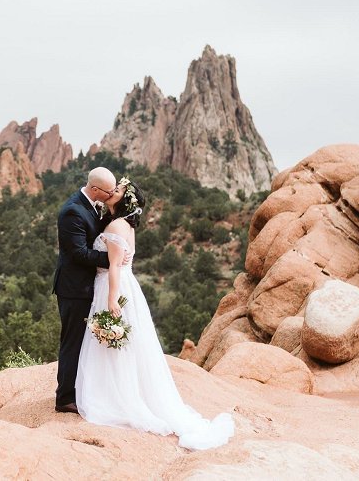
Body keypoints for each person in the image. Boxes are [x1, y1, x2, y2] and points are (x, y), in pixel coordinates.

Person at [75, 177, 235, 450]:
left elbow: (114, 266)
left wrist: (112, 300)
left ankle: (114, 396)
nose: (114, 190)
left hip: (113, 287)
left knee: (114, 342)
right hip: (127, 285)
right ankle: (123, 391)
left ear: (126, 200)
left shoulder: (115, 225)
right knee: (125, 343)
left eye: (120, 190)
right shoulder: (125, 225)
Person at [53, 167, 120, 413]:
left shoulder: (91, 205)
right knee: (73, 342)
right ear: (94, 190)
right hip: (73, 289)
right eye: (108, 191)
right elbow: (78, 253)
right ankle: (65, 398)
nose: (111, 194)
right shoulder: (72, 211)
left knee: (85, 342)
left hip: (87, 286)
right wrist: (112, 261)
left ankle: (80, 390)